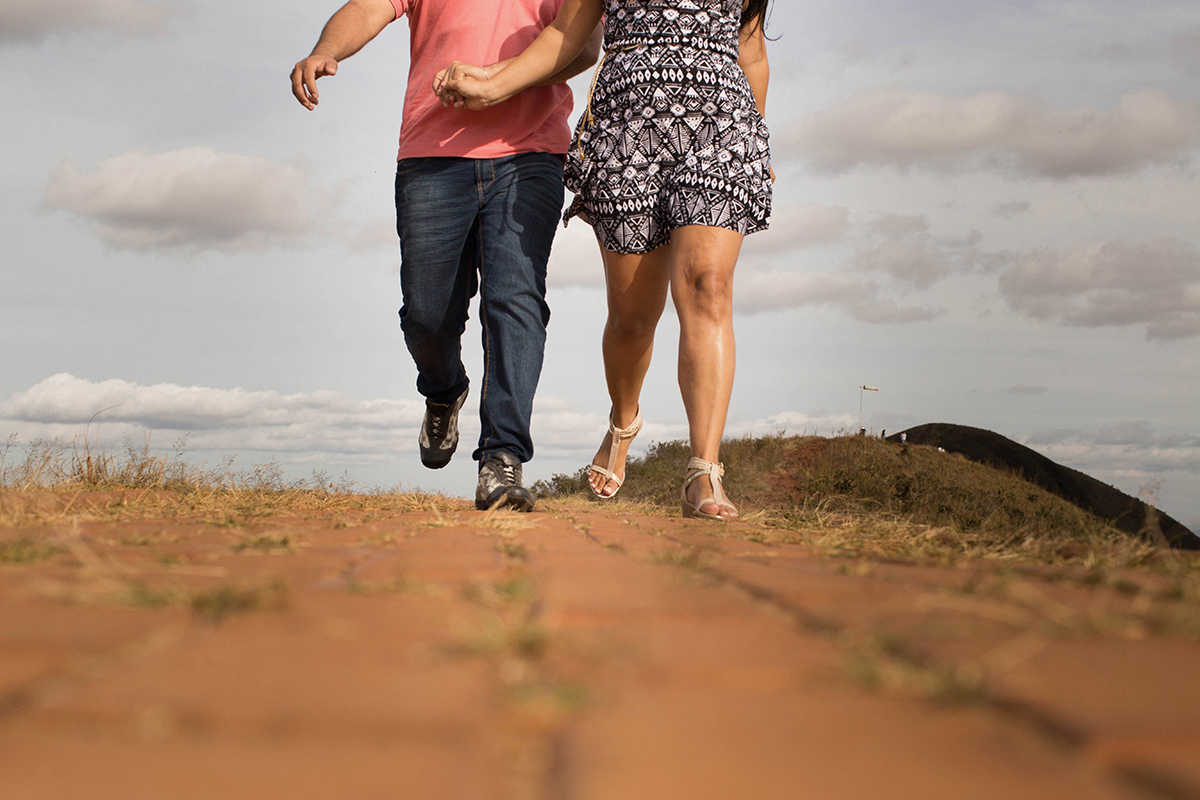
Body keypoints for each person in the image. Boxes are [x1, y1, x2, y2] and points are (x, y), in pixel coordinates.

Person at [437, 0, 773, 520]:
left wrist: (759, 138)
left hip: (724, 128)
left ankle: (704, 471)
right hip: (627, 130)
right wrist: (491, 83)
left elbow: (750, 51)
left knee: (708, 286)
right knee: (632, 317)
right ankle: (623, 421)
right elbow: (565, 35)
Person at [290, 0, 601, 511]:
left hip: (530, 154)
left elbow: (582, 46)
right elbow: (367, 7)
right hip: (431, 156)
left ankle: (502, 457)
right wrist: (327, 49)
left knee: (515, 300)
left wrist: (497, 81)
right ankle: (443, 388)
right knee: (427, 314)